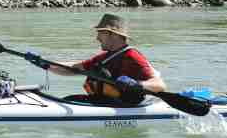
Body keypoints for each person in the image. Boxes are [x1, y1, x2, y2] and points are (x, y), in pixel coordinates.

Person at [25, 14, 166, 106]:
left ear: (113, 35)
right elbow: (73, 68)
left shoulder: (132, 56)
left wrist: (137, 84)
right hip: (105, 102)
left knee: (70, 100)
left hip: (125, 106)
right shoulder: (105, 57)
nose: (97, 38)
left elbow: (159, 85)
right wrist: (44, 63)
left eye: (100, 33)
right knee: (69, 99)